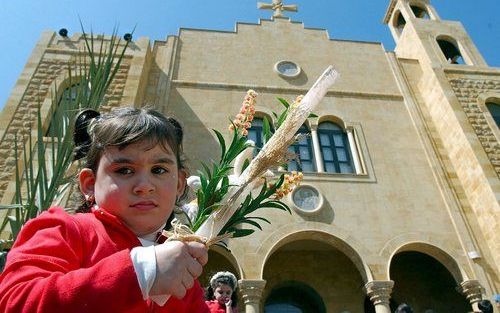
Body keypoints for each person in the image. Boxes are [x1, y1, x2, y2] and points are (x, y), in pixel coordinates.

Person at [0, 107, 210, 312]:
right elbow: (14, 301)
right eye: (125, 170)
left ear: (180, 184)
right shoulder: (66, 230)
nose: (145, 185)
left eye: (159, 170)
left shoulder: (181, 266)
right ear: (90, 183)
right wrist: (140, 271)